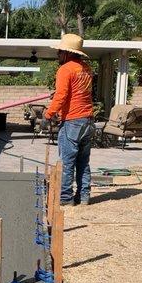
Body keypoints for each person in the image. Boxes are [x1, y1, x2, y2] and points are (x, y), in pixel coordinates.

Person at [45, 34, 94, 206]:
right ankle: (84, 196)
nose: (58, 54)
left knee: (67, 161)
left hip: (72, 120)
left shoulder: (65, 70)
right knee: (83, 161)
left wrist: (49, 114)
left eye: (60, 51)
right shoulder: (86, 69)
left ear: (67, 53)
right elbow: (78, 92)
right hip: (87, 120)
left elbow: (62, 96)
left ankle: (65, 198)